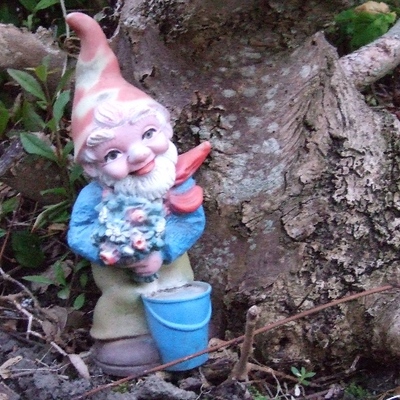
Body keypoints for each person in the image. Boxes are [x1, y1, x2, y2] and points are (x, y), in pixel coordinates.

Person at [66, 12, 211, 376]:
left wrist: (161, 251)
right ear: (94, 166)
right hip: (122, 287)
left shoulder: (173, 182)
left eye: (148, 135)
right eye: (113, 153)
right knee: (125, 305)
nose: (139, 154)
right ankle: (125, 339)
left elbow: (190, 221)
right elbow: (78, 232)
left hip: (173, 277)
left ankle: (186, 337)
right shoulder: (96, 196)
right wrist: (115, 251)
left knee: (182, 299)